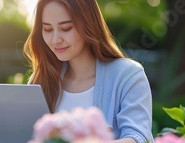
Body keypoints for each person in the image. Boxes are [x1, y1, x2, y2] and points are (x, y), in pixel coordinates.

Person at [23, 0, 153, 143]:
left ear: (88, 24)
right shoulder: (40, 80)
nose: (55, 40)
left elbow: (138, 137)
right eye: (47, 29)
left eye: (66, 28)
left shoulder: (128, 75)